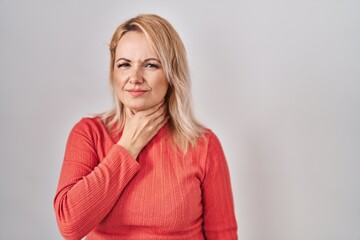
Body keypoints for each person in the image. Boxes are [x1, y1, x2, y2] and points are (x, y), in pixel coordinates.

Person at [54, 14, 237, 240]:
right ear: (113, 72)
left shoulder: (203, 144)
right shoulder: (89, 134)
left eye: (150, 65)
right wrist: (128, 146)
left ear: (171, 74)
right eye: (124, 64)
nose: (135, 77)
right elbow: (70, 226)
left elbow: (223, 235)